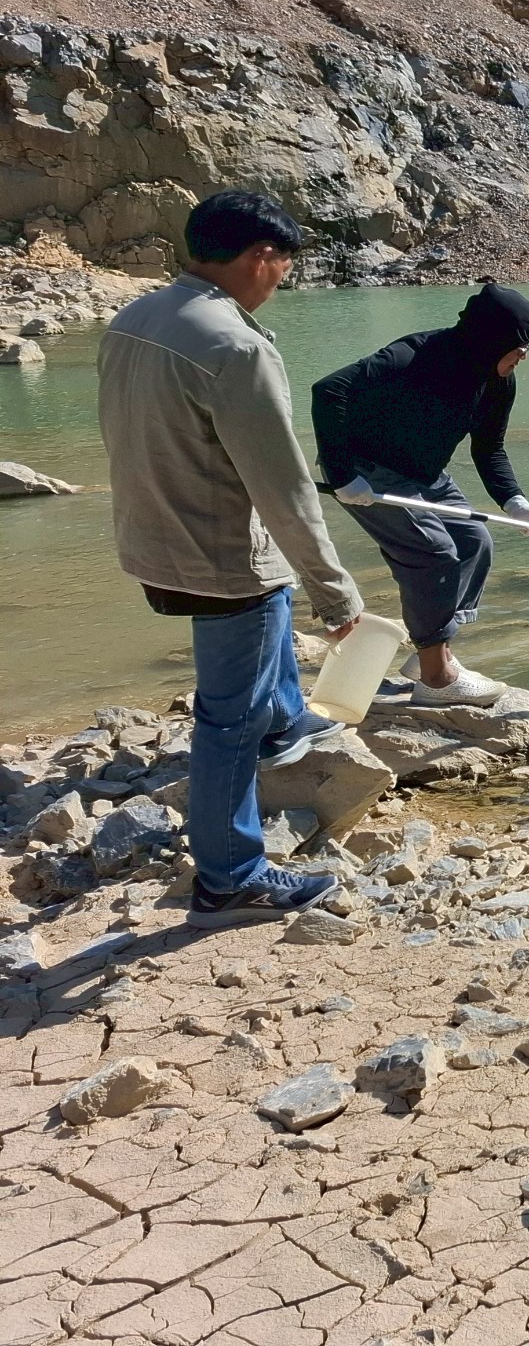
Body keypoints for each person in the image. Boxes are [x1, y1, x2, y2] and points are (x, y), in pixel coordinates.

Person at [98, 190, 361, 922]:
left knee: (267, 605)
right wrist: (337, 596)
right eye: (282, 265)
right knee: (224, 723)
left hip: (151, 537)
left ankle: (285, 718)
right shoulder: (236, 346)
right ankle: (230, 875)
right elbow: (284, 491)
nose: (280, 281)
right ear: (258, 257)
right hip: (215, 559)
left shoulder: (134, 317)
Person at [312, 279, 529, 706]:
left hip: (426, 474)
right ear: (490, 339)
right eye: (519, 345)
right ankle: (436, 680)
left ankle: (430, 653)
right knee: (432, 553)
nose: (525, 355)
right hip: (368, 470)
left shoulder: (498, 382)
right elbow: (329, 391)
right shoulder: (412, 356)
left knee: (474, 542)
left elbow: (489, 447)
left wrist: (516, 502)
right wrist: (342, 474)